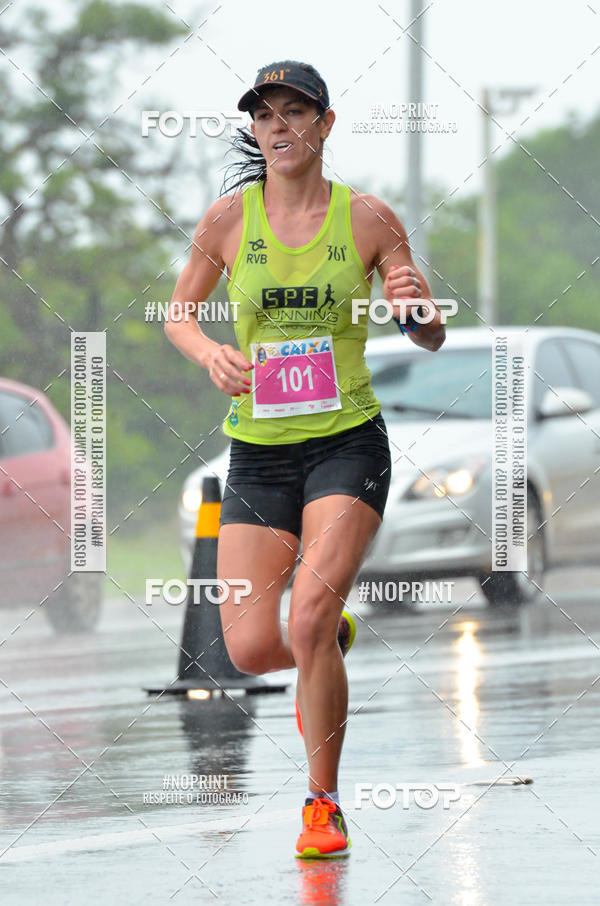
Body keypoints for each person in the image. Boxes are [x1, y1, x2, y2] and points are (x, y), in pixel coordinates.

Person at [165, 60, 445, 858]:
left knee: (309, 616)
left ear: (325, 124)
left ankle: (322, 806)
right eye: (265, 115)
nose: (278, 127)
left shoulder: (368, 218)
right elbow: (179, 315)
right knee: (253, 648)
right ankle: (327, 639)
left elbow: (428, 333)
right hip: (259, 452)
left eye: (295, 112)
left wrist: (415, 311)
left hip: (346, 443)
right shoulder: (228, 219)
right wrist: (211, 353)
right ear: (255, 130)